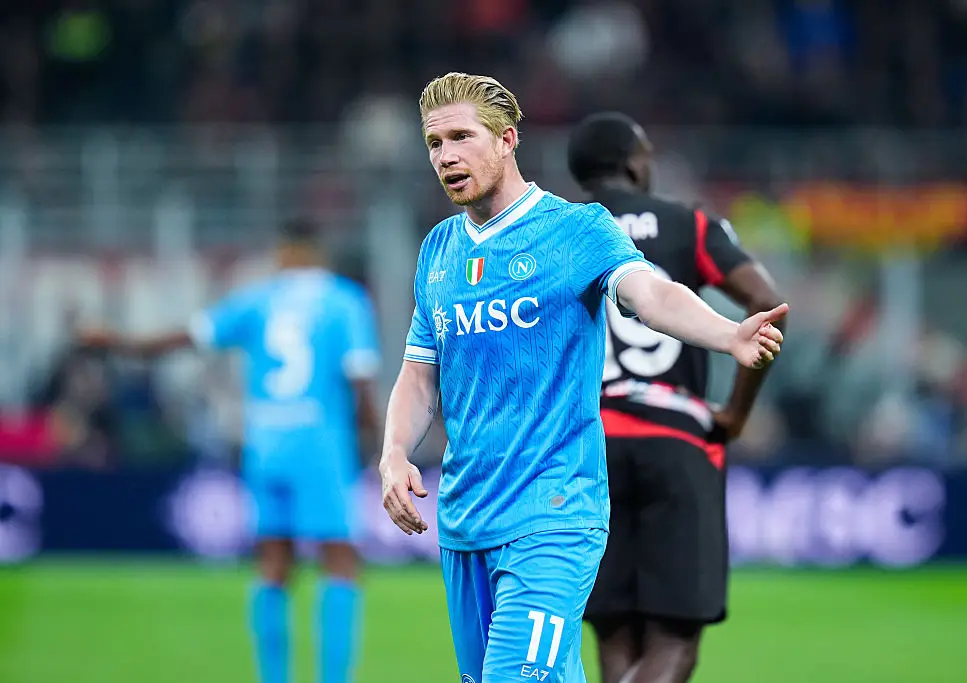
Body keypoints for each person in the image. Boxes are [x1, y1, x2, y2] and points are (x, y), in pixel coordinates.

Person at [377, 72, 788, 683]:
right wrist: (392, 453)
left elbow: (651, 293)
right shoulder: (438, 248)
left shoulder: (576, 229)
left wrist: (727, 334)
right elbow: (419, 373)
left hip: (554, 513)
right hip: (465, 521)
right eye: (435, 143)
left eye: (462, 137)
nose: (447, 156)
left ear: (507, 139)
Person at [78, 218, 380, 683]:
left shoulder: (259, 300)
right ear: (317, 253)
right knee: (339, 561)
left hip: (266, 446)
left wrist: (117, 341)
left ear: (283, 253)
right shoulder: (344, 301)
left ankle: (272, 678)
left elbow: (185, 338)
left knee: (273, 564)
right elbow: (360, 379)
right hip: (321, 447)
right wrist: (381, 448)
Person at [567, 111, 787, 683]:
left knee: (614, 635)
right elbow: (766, 308)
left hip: (586, 446)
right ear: (636, 164)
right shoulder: (690, 225)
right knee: (674, 641)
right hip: (676, 438)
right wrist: (736, 412)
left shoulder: (558, 231)